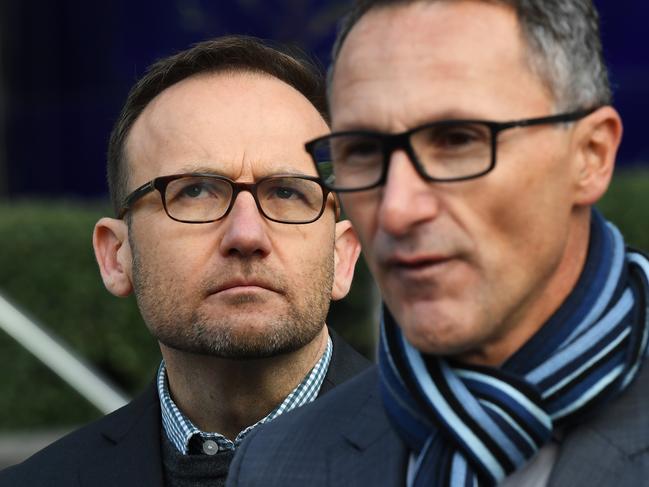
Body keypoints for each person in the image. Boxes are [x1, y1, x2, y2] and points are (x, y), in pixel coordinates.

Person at [226, 1, 649, 486]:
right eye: (362, 151)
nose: (397, 209)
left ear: (590, 156)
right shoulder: (277, 462)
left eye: (457, 140)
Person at [0, 35, 369, 486]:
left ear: (342, 255)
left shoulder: (458, 463)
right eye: (194, 191)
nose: (247, 235)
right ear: (117, 256)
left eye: (287, 192)